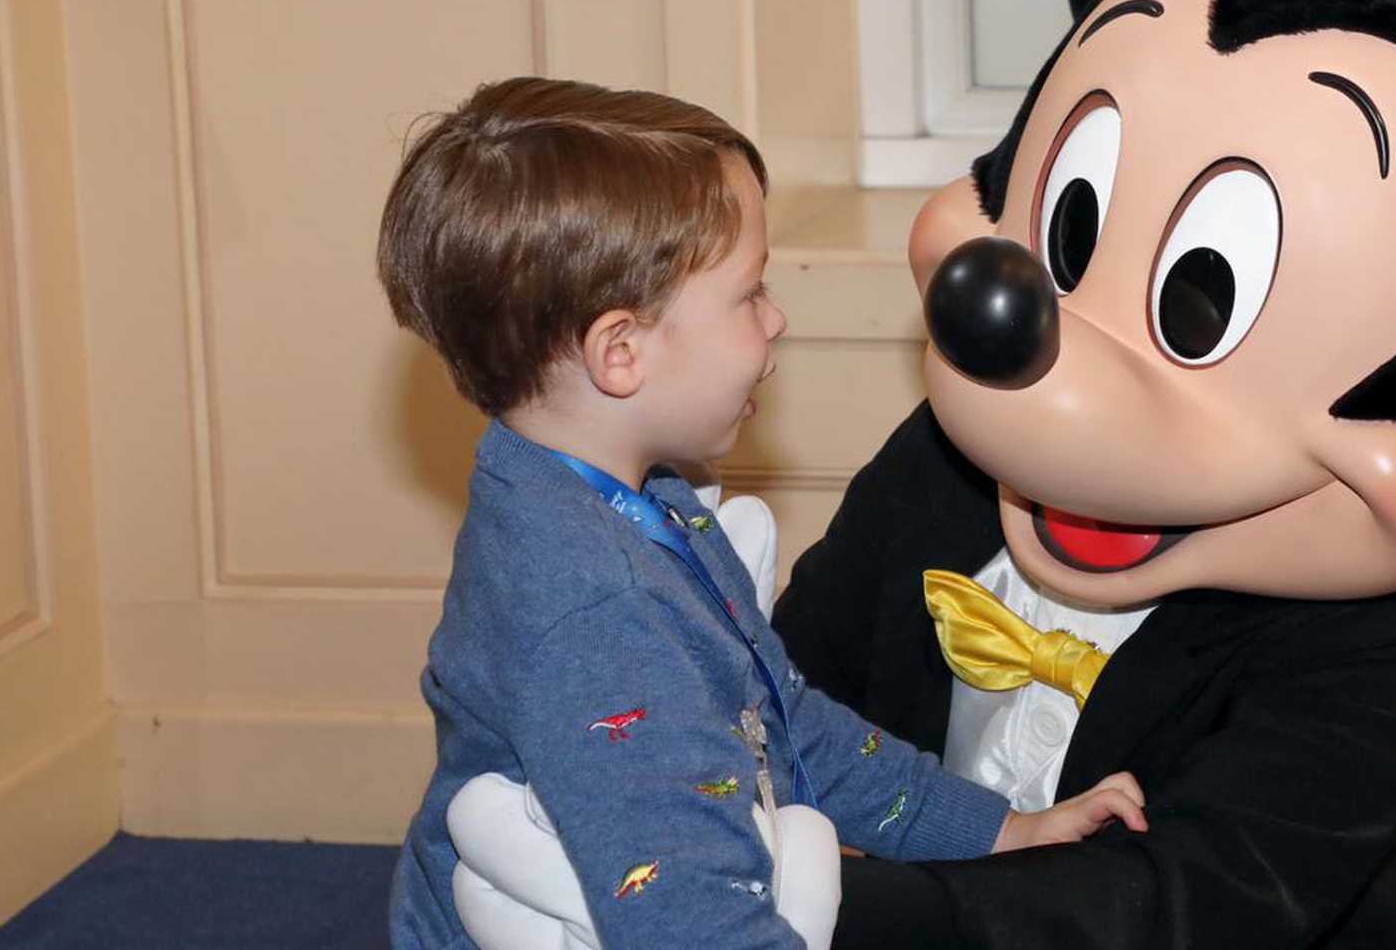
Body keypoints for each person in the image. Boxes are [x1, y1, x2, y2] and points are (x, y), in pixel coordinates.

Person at [378, 78, 1144, 949]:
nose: (776, 319)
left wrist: (997, 829)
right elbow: (683, 911)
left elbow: (780, 720)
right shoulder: (603, 617)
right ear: (620, 353)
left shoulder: (613, 497)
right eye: (749, 294)